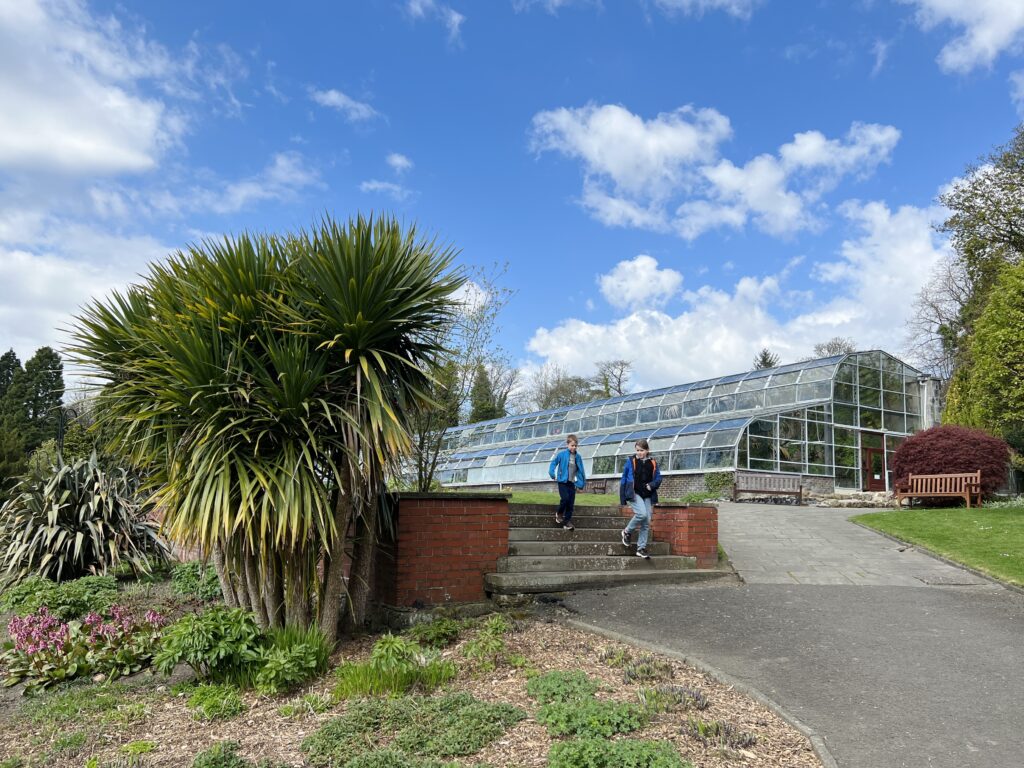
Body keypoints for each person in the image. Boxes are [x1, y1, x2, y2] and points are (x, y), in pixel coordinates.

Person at [619, 439, 661, 559]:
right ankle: (627, 531)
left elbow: (658, 478)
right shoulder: (631, 462)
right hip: (634, 493)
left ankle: (641, 548)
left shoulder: (653, 462)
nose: (639, 453)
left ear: (647, 450)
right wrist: (623, 498)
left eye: (642, 450)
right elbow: (624, 479)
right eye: (637, 450)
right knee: (641, 514)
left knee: (646, 522)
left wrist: (651, 485)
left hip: (647, 494)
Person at [548, 434, 586, 531]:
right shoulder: (562, 455)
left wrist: (581, 484)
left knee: (570, 503)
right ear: (567, 445)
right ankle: (559, 513)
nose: (574, 447)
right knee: (565, 499)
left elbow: (581, 470)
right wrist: (552, 474)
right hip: (562, 481)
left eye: (575, 446)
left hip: (572, 482)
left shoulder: (578, 457)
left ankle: (567, 522)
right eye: (572, 445)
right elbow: (553, 463)